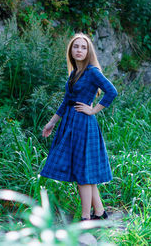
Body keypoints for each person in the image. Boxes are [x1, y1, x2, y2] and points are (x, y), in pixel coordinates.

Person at [40, 33, 118, 221]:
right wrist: (52, 122)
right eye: (76, 47)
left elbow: (111, 92)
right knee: (84, 170)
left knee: (83, 171)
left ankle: (85, 218)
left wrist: (93, 110)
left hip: (84, 124)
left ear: (88, 51)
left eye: (83, 47)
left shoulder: (92, 71)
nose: (79, 50)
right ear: (71, 50)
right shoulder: (74, 73)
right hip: (70, 124)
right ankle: (100, 213)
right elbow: (66, 102)